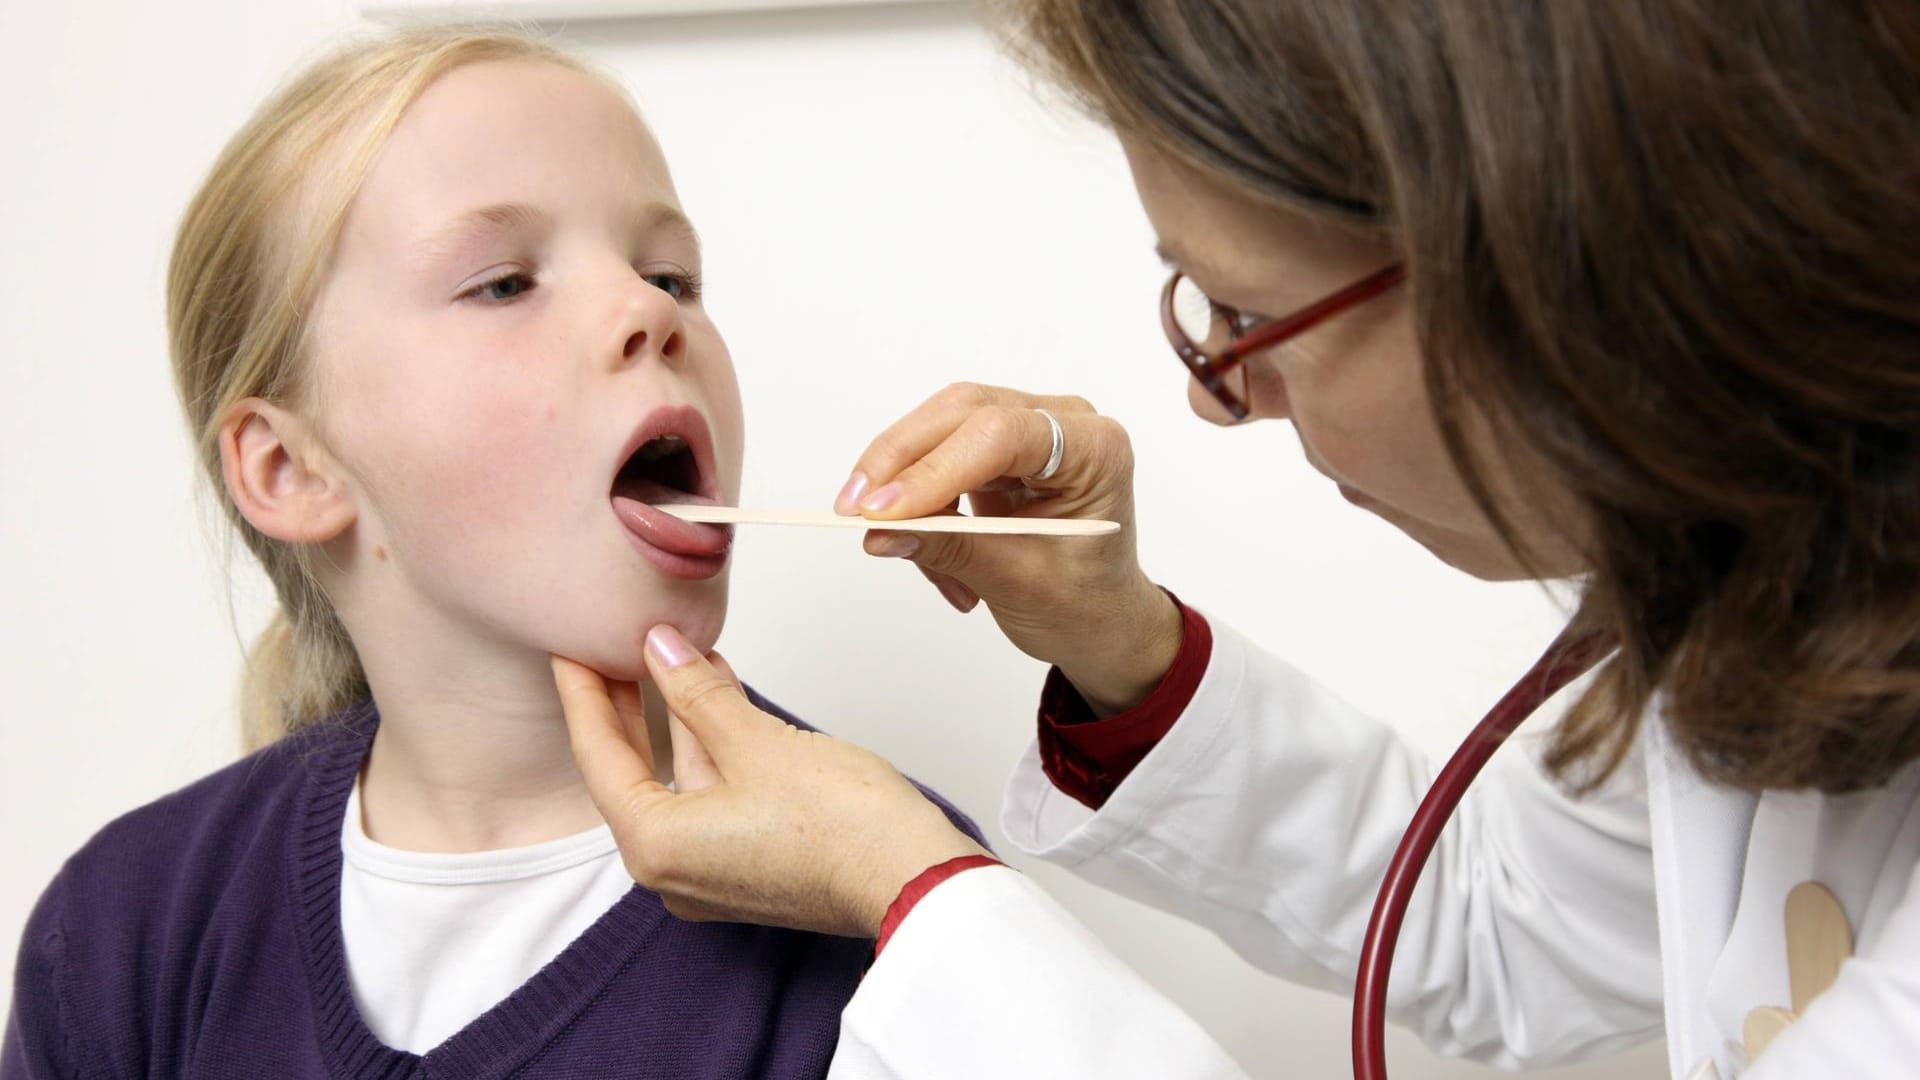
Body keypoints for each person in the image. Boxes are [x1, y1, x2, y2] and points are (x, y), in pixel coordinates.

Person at [551, 2, 1920, 1077]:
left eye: (1242, 310)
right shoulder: (1782, 581)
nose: (1221, 400)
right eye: (500, 283)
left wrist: (913, 895)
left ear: (1554, 251)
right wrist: (1127, 657)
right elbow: (1507, 924)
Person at [0, 27, 983, 1080]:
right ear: (292, 470)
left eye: (673, 274)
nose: (651, 309)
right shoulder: (123, 931)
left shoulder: (901, 905)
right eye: (507, 283)